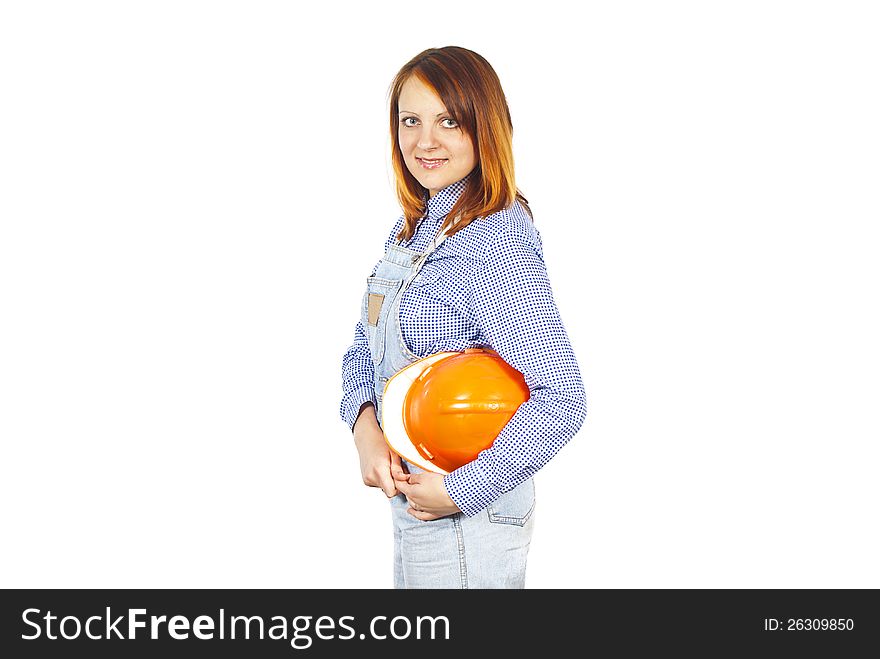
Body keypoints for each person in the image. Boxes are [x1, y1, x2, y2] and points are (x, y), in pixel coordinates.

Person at [339, 46, 587, 589]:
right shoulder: (413, 229)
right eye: (411, 121)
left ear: (485, 126)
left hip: (468, 520)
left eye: (448, 121)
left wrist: (461, 490)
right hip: (417, 506)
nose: (425, 141)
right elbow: (364, 348)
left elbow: (562, 398)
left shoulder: (495, 237)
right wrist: (364, 430)